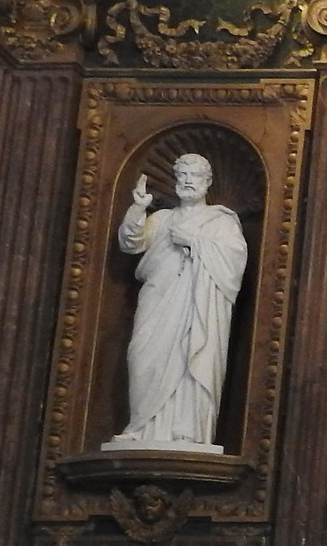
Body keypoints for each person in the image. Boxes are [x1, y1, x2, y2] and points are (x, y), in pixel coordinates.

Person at [106, 152, 248, 452]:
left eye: (193, 175)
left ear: (207, 182)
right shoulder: (161, 219)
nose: (186, 181)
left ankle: (189, 430)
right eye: (181, 174)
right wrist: (138, 208)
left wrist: (194, 242)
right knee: (143, 355)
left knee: (191, 355)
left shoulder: (220, 222)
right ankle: (142, 426)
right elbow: (130, 243)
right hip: (159, 301)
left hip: (198, 307)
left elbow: (234, 262)